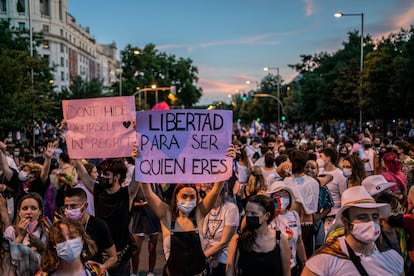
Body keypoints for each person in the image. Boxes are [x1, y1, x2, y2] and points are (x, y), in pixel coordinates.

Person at [141, 145, 235, 276]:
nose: (188, 200)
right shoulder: (167, 215)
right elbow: (148, 193)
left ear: (197, 199)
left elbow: (216, 189)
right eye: (184, 196)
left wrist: (227, 160)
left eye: (192, 196)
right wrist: (140, 160)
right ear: (176, 197)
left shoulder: (199, 214)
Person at [302, 186, 404, 276]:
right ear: (345, 221)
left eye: (375, 217)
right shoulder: (323, 261)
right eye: (362, 217)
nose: (371, 222)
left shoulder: (393, 258)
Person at [73, 158, 140, 275]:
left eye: (106, 174)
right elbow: (83, 174)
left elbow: (138, 176)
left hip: (121, 257)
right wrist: (75, 157)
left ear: (117, 176)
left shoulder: (127, 194)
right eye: (101, 173)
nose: (101, 176)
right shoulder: (98, 191)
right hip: (99, 255)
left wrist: (140, 157)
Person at [226, 194, 291, 276]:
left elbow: (287, 273)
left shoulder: (280, 240)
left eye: (253, 213)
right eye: (247, 213)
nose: (248, 216)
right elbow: (230, 271)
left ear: (266, 216)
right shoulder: (239, 239)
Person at [63, 188, 117, 273]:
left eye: (73, 206)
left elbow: (113, 257)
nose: (69, 210)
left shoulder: (99, 226)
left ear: (85, 206)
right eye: (66, 206)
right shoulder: (62, 227)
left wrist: (100, 269)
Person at [37, 217, 107, 276]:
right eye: (61, 240)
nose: (68, 243)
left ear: (82, 239)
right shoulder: (43, 275)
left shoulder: (98, 271)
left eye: (72, 237)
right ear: (54, 245)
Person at [284, 150, 319, 258]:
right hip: (308, 223)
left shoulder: (286, 182)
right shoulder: (313, 182)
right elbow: (313, 207)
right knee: (307, 257)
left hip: (291, 225)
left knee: (292, 258)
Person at [267, 182, 306, 275]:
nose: (281, 198)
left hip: (292, 266)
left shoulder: (294, 215)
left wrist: (304, 263)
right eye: (277, 194)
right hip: (273, 267)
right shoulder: (267, 216)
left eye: (285, 194)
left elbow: (299, 242)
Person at [201, 182, 239, 276]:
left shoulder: (230, 208)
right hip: (205, 257)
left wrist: (202, 256)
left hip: (222, 259)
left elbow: (224, 242)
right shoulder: (202, 207)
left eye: (211, 187)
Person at [130, 183, 163, 276]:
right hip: (139, 220)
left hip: (153, 219)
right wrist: (139, 204)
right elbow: (130, 202)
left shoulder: (156, 185)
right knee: (136, 251)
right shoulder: (136, 185)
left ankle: (151, 272)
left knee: (152, 249)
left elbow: (160, 201)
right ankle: (134, 273)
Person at [0, 206, 40, 275]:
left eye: (34, 208)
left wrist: (41, 246)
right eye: (25, 209)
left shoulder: (28, 254)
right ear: (19, 213)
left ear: (40, 211)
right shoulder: (11, 230)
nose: (29, 212)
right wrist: (20, 237)